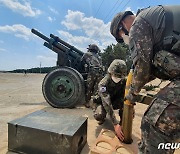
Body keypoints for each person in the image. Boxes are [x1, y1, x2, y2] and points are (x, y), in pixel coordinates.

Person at [110, 5, 180, 153]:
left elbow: (142, 68)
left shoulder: (138, 25)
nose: (125, 39)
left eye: (121, 37)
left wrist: (131, 94)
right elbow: (150, 69)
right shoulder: (154, 21)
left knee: (153, 123)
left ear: (121, 28)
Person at [93, 59, 127, 141]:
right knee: (99, 115)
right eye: (116, 75)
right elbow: (106, 102)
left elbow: (126, 97)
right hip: (102, 102)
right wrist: (115, 124)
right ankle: (103, 117)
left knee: (126, 106)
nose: (118, 78)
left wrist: (129, 111)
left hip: (114, 101)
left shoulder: (123, 81)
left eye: (120, 76)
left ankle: (122, 123)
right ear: (110, 73)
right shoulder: (103, 84)